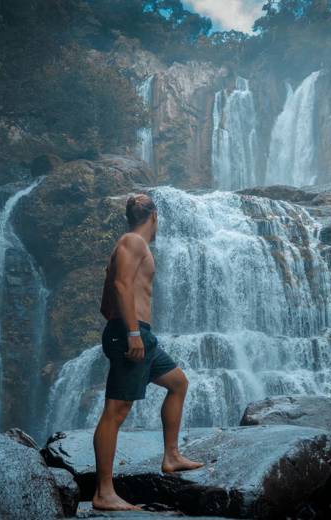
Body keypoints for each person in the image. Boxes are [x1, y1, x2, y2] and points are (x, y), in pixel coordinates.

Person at [92, 193, 204, 512]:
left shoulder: (126, 244)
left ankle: (171, 456)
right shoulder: (133, 242)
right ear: (154, 216)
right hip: (133, 333)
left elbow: (105, 300)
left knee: (178, 383)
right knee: (116, 409)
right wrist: (129, 332)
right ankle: (103, 492)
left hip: (141, 334)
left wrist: (128, 329)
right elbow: (121, 287)